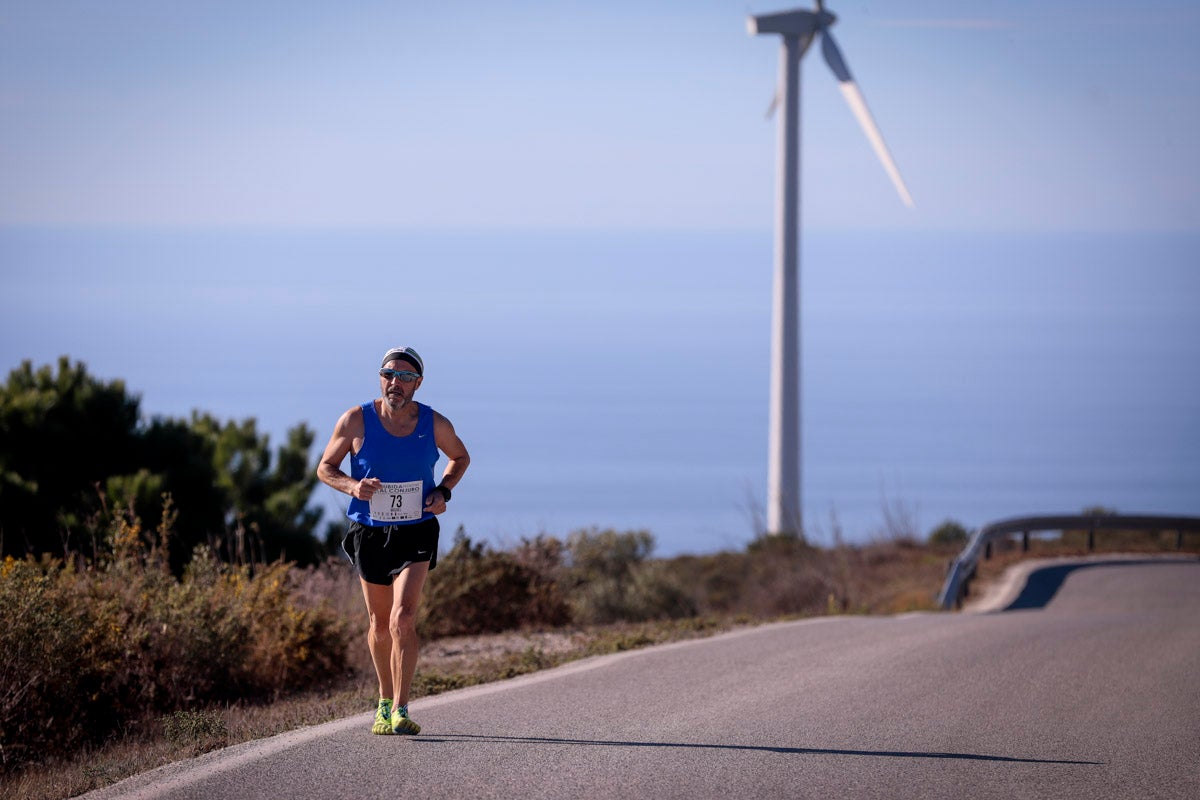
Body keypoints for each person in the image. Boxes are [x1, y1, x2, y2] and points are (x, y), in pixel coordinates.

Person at [317, 346, 469, 735]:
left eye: (404, 377)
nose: (394, 383)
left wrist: (443, 492)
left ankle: (402, 707)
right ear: (380, 378)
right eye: (388, 375)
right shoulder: (355, 420)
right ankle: (383, 701)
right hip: (370, 532)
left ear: (418, 383)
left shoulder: (433, 423)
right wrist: (353, 486)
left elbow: (460, 458)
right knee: (379, 624)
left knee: (404, 618)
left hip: (417, 528)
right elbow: (325, 468)